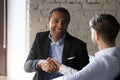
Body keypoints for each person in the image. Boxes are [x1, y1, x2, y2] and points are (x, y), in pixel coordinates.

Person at [24, 7, 89, 80]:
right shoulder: (40, 38)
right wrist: (40, 63)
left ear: (67, 25)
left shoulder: (79, 45)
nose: (60, 26)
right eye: (56, 21)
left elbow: (85, 75)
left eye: (64, 22)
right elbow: (27, 66)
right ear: (48, 22)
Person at [50, 14, 120, 80]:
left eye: (91, 31)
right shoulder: (115, 57)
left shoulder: (102, 61)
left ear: (96, 35)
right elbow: (83, 76)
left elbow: (74, 78)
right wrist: (60, 67)